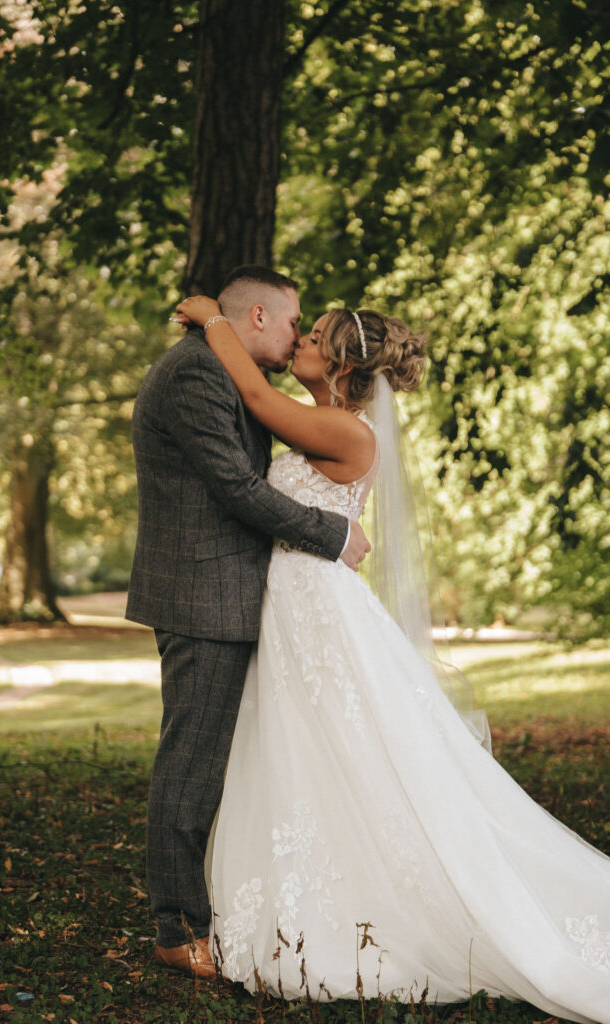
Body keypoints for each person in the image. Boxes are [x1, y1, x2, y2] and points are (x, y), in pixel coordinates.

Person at [174, 293, 610, 1023]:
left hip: (316, 605)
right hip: (297, 602)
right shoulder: (326, 416)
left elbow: (252, 392)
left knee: (344, 746)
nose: (301, 340)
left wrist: (213, 317)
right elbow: (258, 402)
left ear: (341, 362)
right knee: (306, 746)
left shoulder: (346, 431)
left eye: (312, 336)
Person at [125, 266, 370, 978]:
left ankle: (210, 909)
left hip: (231, 592)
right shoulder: (196, 375)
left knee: (217, 762)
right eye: (294, 321)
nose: (299, 334)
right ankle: (176, 928)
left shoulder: (218, 367)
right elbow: (234, 486)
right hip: (203, 594)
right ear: (257, 317)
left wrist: (213, 323)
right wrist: (332, 533)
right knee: (192, 761)